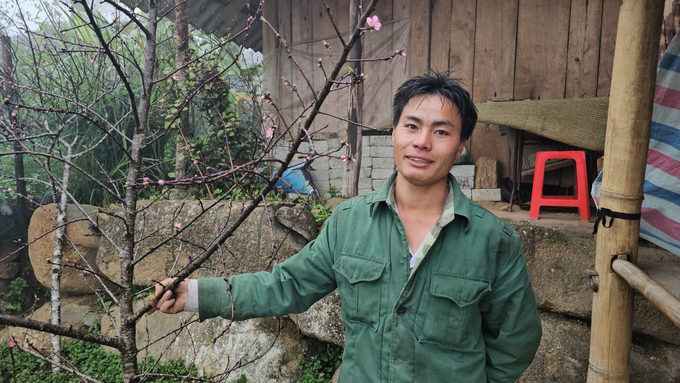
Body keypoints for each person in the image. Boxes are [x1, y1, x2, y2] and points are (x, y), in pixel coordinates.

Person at [149, 70, 542, 382]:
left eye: (441, 131)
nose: (423, 141)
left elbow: (516, 341)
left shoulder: (494, 241)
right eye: (412, 126)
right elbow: (287, 285)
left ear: (459, 148)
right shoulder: (350, 223)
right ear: (393, 134)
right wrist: (197, 294)